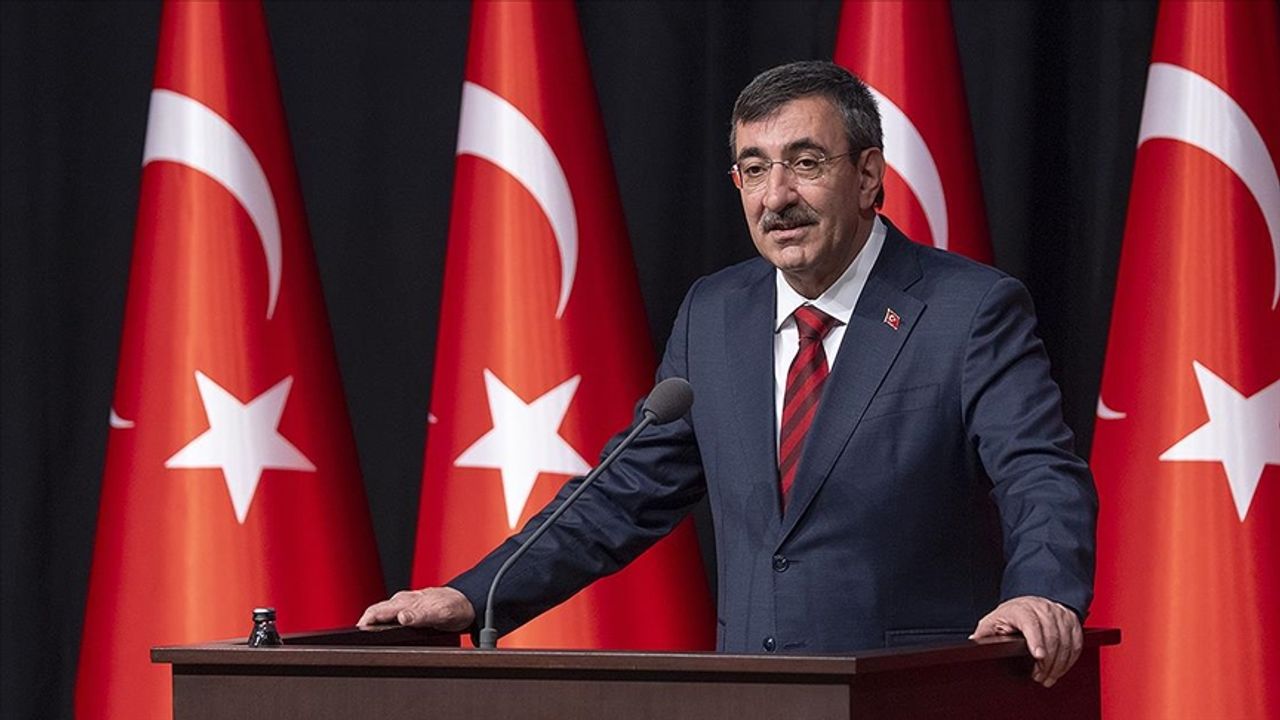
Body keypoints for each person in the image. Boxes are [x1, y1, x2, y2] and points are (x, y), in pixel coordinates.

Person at [360, 61, 1096, 689]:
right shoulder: (715, 313)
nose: (776, 197)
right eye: (754, 169)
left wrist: (1040, 593)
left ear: (869, 175)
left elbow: (1038, 472)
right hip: (756, 692)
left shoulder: (968, 309)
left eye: (805, 163)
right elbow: (625, 491)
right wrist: (473, 596)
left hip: (909, 692)